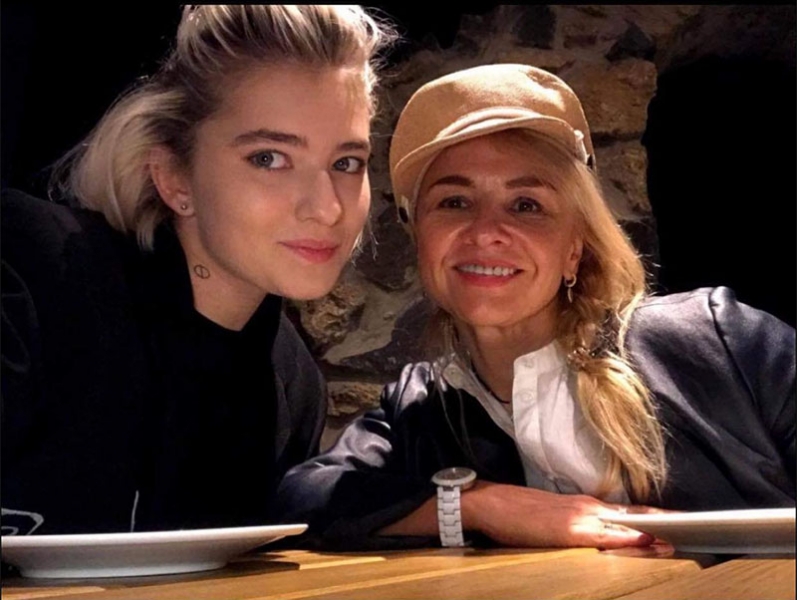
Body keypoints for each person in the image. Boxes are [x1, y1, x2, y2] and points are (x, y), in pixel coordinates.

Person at [275, 63, 796, 550]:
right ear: (421, 241)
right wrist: (481, 505)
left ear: (575, 249)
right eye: (454, 202)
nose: (485, 232)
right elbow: (301, 498)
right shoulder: (418, 408)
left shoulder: (719, 340)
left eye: (526, 205)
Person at [1, 5, 395, 535]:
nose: (326, 208)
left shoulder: (292, 381)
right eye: (269, 158)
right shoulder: (30, 273)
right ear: (174, 178)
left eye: (346, 163)